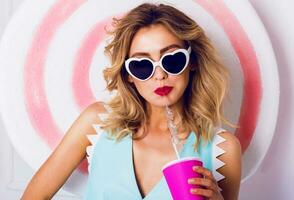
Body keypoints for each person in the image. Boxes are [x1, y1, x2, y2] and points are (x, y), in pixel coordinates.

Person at [21, 3, 241, 200]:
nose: (160, 75)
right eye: (142, 65)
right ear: (128, 74)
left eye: (172, 60)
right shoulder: (97, 124)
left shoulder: (222, 150)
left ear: (191, 61)